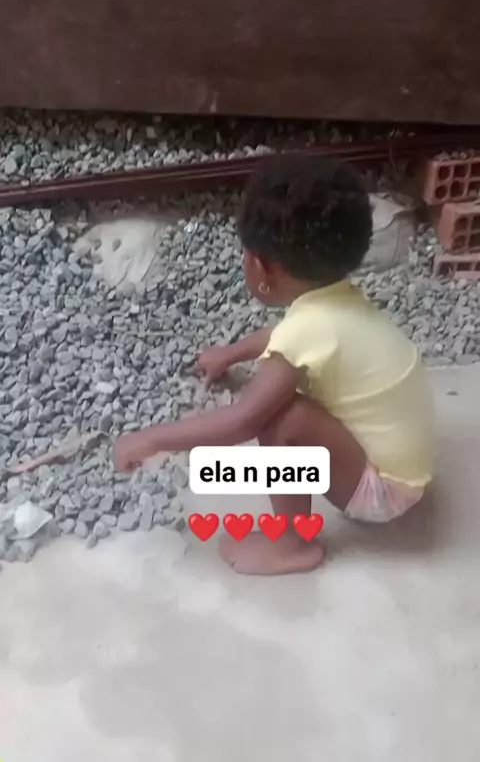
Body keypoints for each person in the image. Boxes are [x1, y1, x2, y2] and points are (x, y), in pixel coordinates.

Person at [113, 155, 434, 575]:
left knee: (283, 419)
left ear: (261, 266)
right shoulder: (336, 302)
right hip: (411, 470)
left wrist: (150, 438)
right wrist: (230, 353)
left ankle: (291, 544)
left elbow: (240, 422)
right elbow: (286, 336)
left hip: (386, 494)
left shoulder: (307, 330)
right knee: (288, 402)